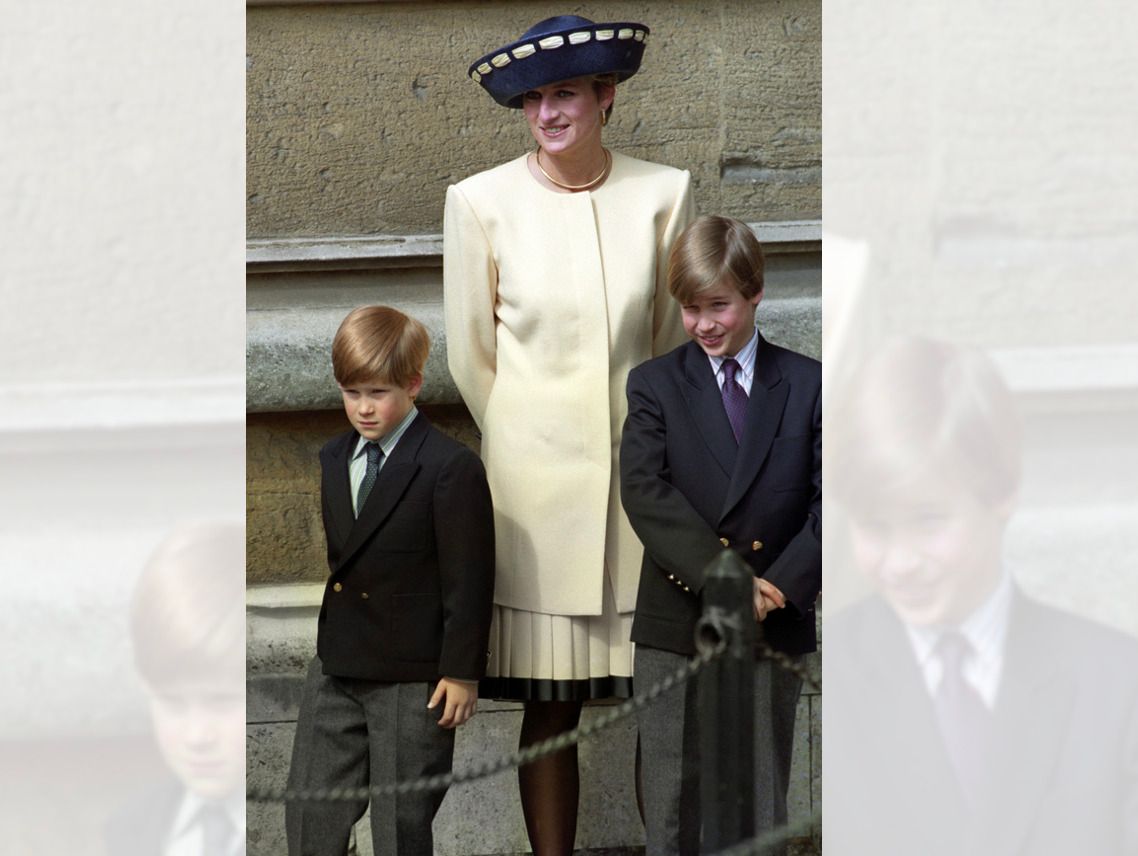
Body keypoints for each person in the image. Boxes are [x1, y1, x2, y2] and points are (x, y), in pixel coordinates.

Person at [443, 14, 695, 854]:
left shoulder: (665, 192)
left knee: (657, 702)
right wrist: (528, 440)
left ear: (604, 96)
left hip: (641, 490)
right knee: (551, 707)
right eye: (533, 100)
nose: (547, 114)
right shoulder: (480, 202)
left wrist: (648, 448)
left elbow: (668, 342)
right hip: (533, 499)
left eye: (565, 95)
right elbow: (472, 355)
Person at [826, 337, 1138, 856]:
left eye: (927, 521)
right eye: (873, 526)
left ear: (1003, 492)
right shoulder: (829, 673)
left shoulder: (1113, 679)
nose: (900, 561)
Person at [619, 215, 822, 854]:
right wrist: (727, 580)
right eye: (690, 308)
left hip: (773, 619)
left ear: (755, 292)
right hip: (679, 619)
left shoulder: (810, 384)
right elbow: (645, 492)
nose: (704, 323)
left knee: (760, 802)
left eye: (719, 306)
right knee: (674, 799)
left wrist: (777, 588)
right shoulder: (654, 384)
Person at [284, 306, 496, 856]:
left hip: (413, 676)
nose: (363, 408)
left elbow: (468, 579)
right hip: (339, 665)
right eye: (351, 393)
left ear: (414, 383)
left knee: (401, 827)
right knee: (310, 809)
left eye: (377, 392)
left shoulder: (450, 466)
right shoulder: (335, 457)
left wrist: (461, 672)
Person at [106, 521, 247, 856]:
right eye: (172, 703)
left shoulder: (306, 828)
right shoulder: (130, 830)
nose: (197, 736)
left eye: (222, 702)